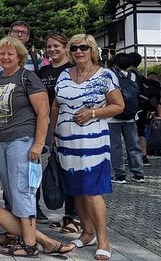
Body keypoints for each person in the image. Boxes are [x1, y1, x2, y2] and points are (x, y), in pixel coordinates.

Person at [50, 34, 124, 261]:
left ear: (92, 50)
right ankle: (87, 233)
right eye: (74, 48)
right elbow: (55, 106)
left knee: (92, 191)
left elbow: (118, 106)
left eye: (84, 47)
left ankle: (104, 241)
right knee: (76, 190)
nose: (79, 51)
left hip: (93, 142)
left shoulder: (105, 75)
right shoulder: (64, 75)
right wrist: (50, 136)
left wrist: (93, 113)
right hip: (65, 142)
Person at [0, 36, 49, 257]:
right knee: (10, 192)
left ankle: (30, 244)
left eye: (10, 53)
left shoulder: (28, 77)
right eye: (2, 53)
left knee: (22, 190)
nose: (5, 57)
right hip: (1, 141)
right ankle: (21, 238)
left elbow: (43, 112)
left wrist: (38, 144)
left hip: (22, 140)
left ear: (19, 56)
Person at [37, 32, 80, 234]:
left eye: (56, 46)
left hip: (72, 124)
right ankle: (66, 215)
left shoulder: (72, 70)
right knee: (57, 169)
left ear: (65, 48)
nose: (52, 50)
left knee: (72, 171)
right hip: (50, 124)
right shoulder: (43, 71)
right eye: (49, 47)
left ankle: (75, 216)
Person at [108, 53, 145, 184]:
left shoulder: (111, 75)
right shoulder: (134, 76)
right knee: (133, 144)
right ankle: (138, 173)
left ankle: (120, 174)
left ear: (115, 64)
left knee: (116, 146)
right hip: (130, 115)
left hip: (113, 116)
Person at [0, 21, 46, 88]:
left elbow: (41, 83)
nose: (19, 35)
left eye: (23, 33)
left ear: (27, 37)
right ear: (9, 34)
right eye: (16, 32)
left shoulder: (35, 58)